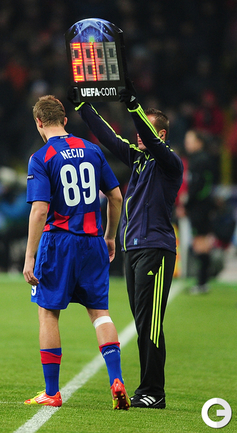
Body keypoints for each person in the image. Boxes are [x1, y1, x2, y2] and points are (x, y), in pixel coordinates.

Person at [71, 80, 183, 409]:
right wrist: (84, 108)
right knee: (142, 321)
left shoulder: (169, 163)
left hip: (156, 250)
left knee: (150, 324)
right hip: (133, 249)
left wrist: (134, 107)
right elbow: (109, 138)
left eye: (146, 130)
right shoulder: (138, 159)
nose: (139, 136)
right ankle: (148, 388)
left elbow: (149, 138)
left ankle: (154, 391)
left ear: (161, 134)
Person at [23, 95, 129, 410]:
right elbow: (116, 197)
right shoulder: (92, 150)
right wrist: (109, 236)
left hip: (59, 242)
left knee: (48, 313)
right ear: (65, 120)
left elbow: (40, 210)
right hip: (93, 242)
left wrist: (29, 255)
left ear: (39, 122)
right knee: (100, 313)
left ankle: (51, 392)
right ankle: (116, 379)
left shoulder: (41, 157)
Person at [182, 129, 216, 294]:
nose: (186, 144)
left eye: (190, 140)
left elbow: (200, 186)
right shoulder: (198, 159)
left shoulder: (201, 160)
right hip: (200, 207)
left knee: (200, 243)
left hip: (200, 208)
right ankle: (203, 281)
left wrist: (188, 203)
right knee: (200, 242)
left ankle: (202, 282)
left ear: (199, 142)